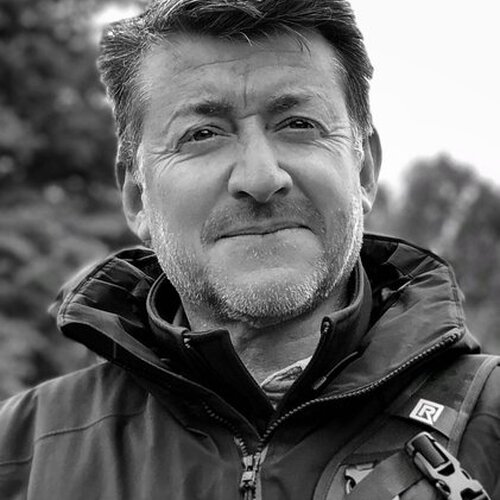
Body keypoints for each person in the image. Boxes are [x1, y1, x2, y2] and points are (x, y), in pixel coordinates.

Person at [0, 0, 499, 498]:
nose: (260, 178)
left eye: (298, 124)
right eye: (202, 134)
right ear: (137, 198)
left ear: (364, 170)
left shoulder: (490, 426)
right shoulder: (20, 456)